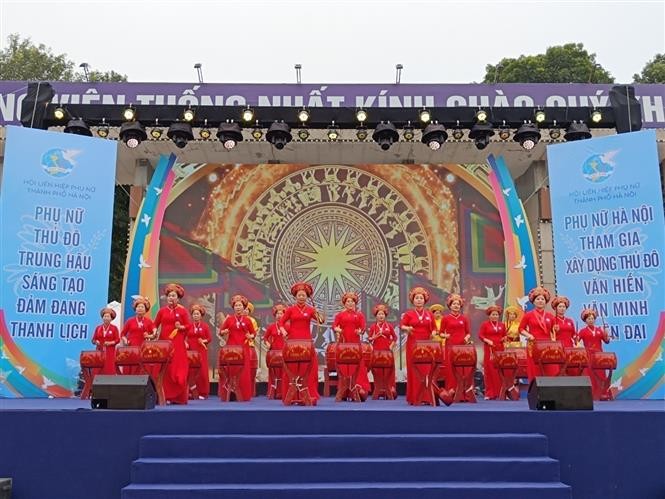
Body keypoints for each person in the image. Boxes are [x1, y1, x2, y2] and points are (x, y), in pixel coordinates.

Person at [279, 282, 325, 403]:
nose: (301, 297)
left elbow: (321, 320)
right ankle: (293, 396)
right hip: (293, 341)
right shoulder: (290, 310)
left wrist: (319, 312)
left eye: (303, 295)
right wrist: (283, 331)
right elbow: (281, 322)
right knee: (292, 368)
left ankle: (308, 394)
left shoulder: (310, 310)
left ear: (307, 297)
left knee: (308, 368)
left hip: (306, 341)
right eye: (299, 295)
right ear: (295, 297)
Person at [152, 283, 191, 404]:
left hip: (177, 343)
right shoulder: (162, 311)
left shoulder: (182, 311)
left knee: (177, 368)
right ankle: (165, 395)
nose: (171, 298)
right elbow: (155, 324)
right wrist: (154, 331)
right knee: (165, 369)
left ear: (178, 298)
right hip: (164, 343)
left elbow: (189, 326)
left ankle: (178, 397)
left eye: (173, 296)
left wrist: (181, 326)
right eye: (169, 296)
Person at [400, 286, 435, 405]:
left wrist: (434, 333)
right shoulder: (409, 314)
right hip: (413, 344)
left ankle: (426, 397)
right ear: (413, 300)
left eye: (421, 298)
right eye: (416, 298)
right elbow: (402, 326)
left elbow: (434, 329)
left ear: (424, 300)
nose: (419, 300)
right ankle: (414, 397)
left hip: (426, 345)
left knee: (425, 370)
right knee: (414, 370)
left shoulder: (429, 314)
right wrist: (407, 328)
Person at [332, 291, 370, 399]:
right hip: (344, 343)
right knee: (344, 366)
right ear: (344, 303)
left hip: (355, 344)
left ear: (355, 303)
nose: (350, 303)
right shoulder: (340, 315)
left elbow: (363, 327)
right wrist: (337, 329)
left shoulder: (359, 315)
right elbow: (334, 325)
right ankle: (345, 390)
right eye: (348, 301)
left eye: (352, 301)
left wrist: (360, 331)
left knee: (358, 365)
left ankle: (358, 388)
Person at [219, 295, 256, 401]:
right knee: (231, 370)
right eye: (236, 305)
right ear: (233, 307)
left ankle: (243, 394)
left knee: (243, 371)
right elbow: (221, 332)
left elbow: (253, 333)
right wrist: (224, 332)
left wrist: (251, 336)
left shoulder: (248, 320)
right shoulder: (229, 319)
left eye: (240, 305)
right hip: (231, 349)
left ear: (244, 307)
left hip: (244, 348)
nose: (238, 307)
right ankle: (230, 394)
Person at [441, 293, 474, 402]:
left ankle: (463, 394)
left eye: (458, 304)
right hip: (450, 346)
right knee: (451, 370)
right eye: (454, 304)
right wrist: (446, 336)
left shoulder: (464, 319)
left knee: (462, 370)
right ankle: (451, 391)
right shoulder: (445, 319)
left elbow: (468, 333)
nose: (456, 306)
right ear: (449, 306)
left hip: (462, 347)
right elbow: (440, 333)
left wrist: (466, 338)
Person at [519, 286, 556, 381]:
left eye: (542, 299)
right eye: (538, 299)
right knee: (535, 369)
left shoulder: (550, 316)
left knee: (549, 369)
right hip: (533, 344)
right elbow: (521, 329)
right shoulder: (528, 315)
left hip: (547, 346)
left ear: (545, 301)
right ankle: (535, 391)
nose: (540, 301)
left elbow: (554, 332)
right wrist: (529, 335)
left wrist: (556, 330)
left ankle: (549, 390)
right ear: (533, 301)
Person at [578, 308, 612, 400]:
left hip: (599, 356)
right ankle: (591, 395)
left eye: (592, 318)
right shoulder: (582, 331)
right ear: (585, 320)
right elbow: (576, 340)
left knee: (601, 374)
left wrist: (607, 334)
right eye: (589, 319)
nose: (591, 320)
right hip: (588, 355)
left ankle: (603, 394)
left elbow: (606, 341)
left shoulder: (599, 330)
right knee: (590, 375)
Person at [367, 303, 397, 398]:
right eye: (379, 314)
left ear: (385, 315)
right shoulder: (373, 327)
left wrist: (391, 346)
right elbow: (369, 339)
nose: (381, 316)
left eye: (382, 314)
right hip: (377, 352)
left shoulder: (389, 326)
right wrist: (374, 337)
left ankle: (389, 390)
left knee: (388, 372)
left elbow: (395, 338)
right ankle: (378, 390)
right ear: (376, 316)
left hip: (387, 352)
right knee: (377, 372)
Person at [119, 297, 154, 374]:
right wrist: (125, 340)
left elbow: (154, 334)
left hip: (144, 348)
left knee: (143, 368)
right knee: (132, 367)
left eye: (142, 307)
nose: (140, 309)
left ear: (146, 309)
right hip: (132, 347)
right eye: (138, 307)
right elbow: (122, 334)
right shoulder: (130, 321)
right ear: (135, 309)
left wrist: (149, 336)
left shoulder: (149, 321)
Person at [478, 305, 506, 400]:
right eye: (493, 314)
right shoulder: (485, 325)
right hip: (489, 348)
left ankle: (501, 392)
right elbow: (480, 336)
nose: (495, 316)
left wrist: (504, 338)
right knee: (490, 370)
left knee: (499, 371)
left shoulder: (502, 325)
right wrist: (487, 340)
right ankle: (490, 393)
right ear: (489, 316)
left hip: (499, 348)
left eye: (496, 314)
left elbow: (504, 335)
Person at [187, 304, 212, 399]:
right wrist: (185, 343)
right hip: (190, 351)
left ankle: (203, 392)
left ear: (201, 315)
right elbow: (185, 337)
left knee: (202, 371)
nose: (196, 316)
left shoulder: (205, 326)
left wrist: (203, 341)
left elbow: (209, 338)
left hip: (201, 350)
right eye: (194, 314)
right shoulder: (189, 326)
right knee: (190, 371)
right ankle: (191, 392)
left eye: (197, 314)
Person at [263, 303, 287, 398]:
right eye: (278, 313)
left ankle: (283, 392)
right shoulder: (271, 327)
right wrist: (267, 343)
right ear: (275, 315)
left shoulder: (288, 325)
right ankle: (273, 392)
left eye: (281, 313)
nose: (279, 315)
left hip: (285, 352)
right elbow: (265, 338)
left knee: (284, 373)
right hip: (274, 353)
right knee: (274, 373)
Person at [92, 307, 120, 375]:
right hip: (99, 351)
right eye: (105, 316)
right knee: (98, 369)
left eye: (108, 316)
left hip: (110, 351)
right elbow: (93, 340)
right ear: (102, 317)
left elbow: (118, 340)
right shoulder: (98, 328)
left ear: (111, 318)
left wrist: (111, 343)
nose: (106, 318)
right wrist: (96, 342)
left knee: (109, 368)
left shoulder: (114, 328)